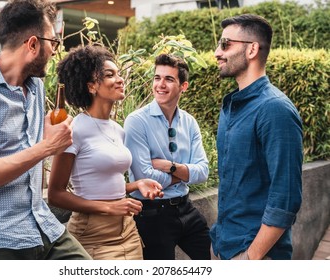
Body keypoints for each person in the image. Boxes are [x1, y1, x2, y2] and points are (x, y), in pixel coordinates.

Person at [0, 0, 91, 260]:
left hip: (39, 226)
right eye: (52, 42)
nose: (56, 50)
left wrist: (46, 138)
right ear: (32, 44)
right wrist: (46, 147)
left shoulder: (35, 88)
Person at [48, 44, 163, 260]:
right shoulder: (75, 130)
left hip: (127, 228)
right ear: (91, 86)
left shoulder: (117, 130)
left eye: (119, 74)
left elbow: (102, 183)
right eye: (110, 75)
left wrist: (136, 185)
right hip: (93, 232)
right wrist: (109, 208)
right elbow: (55, 194)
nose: (120, 79)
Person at [210, 14, 303, 260]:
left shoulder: (275, 109)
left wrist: (250, 258)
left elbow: (286, 198)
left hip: (257, 255)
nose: (216, 52)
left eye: (225, 44)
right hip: (224, 245)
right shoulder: (230, 106)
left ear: (252, 49)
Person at [123, 54, 211, 260]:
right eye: (157, 78)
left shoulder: (189, 122)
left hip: (186, 208)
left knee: (212, 258)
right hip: (151, 215)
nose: (160, 85)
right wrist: (184, 172)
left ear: (184, 86)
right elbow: (144, 176)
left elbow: (203, 171)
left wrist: (170, 167)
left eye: (169, 79)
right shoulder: (136, 121)